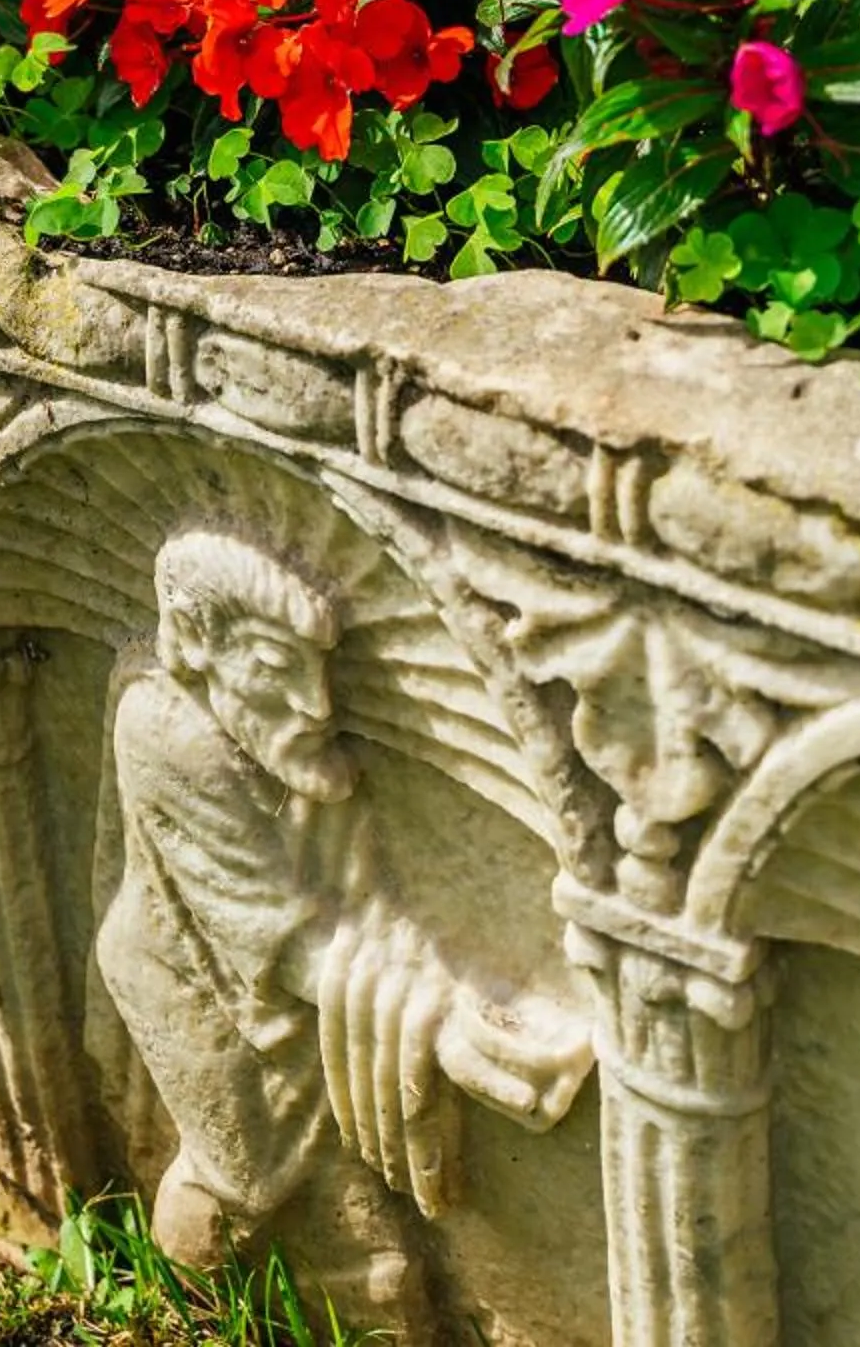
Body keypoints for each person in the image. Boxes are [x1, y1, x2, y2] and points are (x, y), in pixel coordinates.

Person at [95, 529, 589, 1320]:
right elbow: (277, 932)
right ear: (195, 645)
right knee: (240, 1200)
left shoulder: (286, 748)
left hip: (282, 1000)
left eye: (317, 670)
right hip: (207, 1001)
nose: (316, 703)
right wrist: (451, 1031)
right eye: (272, 666)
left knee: (371, 1264)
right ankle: (193, 1309)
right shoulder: (162, 725)